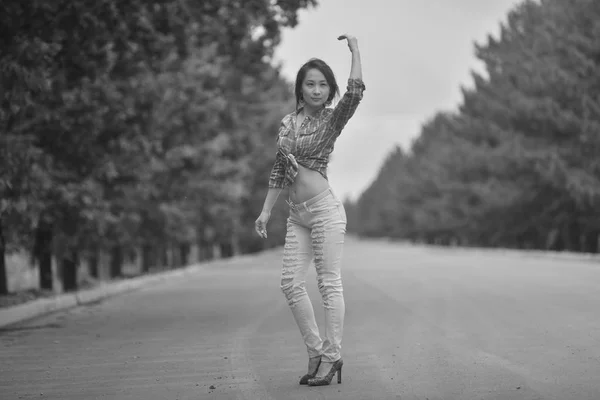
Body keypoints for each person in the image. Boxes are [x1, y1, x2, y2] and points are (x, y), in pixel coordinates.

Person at [254, 34, 365, 387]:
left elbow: (355, 93)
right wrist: (266, 211)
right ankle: (316, 350)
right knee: (290, 284)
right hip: (296, 213)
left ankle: (333, 357)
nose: (316, 90)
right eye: (310, 84)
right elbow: (278, 169)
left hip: (324, 211)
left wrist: (356, 51)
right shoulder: (287, 123)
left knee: (329, 283)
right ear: (300, 89)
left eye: (322, 85)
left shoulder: (332, 120)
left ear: (329, 90)